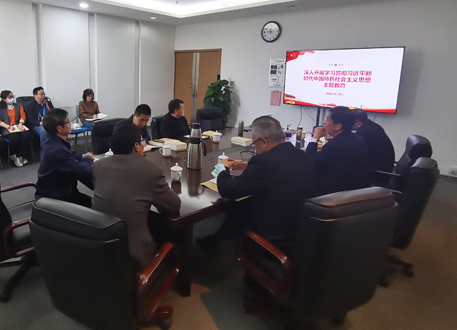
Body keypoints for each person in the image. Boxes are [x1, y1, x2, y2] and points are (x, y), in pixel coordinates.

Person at [196, 116, 316, 255]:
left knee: (238, 204)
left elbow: (227, 190)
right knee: (241, 204)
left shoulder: (263, 162)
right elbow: (280, 171)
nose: (255, 149)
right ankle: (215, 240)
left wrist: (224, 169)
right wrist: (250, 167)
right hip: (300, 232)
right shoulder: (303, 156)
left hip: (275, 238)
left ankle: (219, 242)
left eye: (254, 144)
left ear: (264, 141)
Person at [92, 123, 181, 269]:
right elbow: (174, 205)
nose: (144, 144)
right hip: (134, 256)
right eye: (142, 141)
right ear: (136, 146)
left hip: (98, 245)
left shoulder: (98, 166)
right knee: (168, 231)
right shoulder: (151, 170)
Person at [35, 108, 94, 207]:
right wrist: (88, 159)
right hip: (55, 199)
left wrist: (82, 156)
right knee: (97, 207)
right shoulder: (57, 150)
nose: (70, 124)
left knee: (94, 204)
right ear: (59, 128)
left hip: (63, 191)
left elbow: (72, 153)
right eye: (67, 122)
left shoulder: (52, 142)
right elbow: (82, 170)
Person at [306, 106, 371, 195]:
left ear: (338, 126)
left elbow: (309, 161)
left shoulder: (334, 145)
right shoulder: (357, 138)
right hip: (357, 190)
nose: (324, 123)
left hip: (336, 194)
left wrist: (315, 137)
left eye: (327, 119)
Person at [0, 90, 32, 168]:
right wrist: (7, 126)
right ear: (4, 99)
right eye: (9, 97)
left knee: (27, 136)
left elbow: (22, 115)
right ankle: (14, 155)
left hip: (18, 126)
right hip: (6, 128)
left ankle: (19, 155)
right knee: (15, 138)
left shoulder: (18, 106)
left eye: (12, 97)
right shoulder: (0, 108)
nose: (12, 99)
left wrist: (21, 124)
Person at [25, 86, 52, 154]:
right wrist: (40, 123)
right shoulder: (30, 106)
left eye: (44, 94)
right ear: (35, 96)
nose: (43, 96)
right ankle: (44, 152)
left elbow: (54, 113)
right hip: (37, 125)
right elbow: (30, 119)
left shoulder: (48, 104)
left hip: (50, 123)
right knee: (44, 131)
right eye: (41, 94)